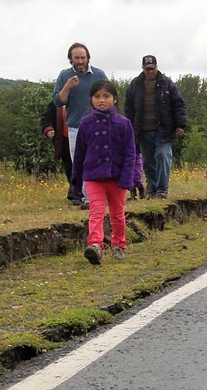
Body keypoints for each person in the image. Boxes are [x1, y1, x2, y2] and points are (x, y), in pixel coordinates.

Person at [71, 80, 135, 265]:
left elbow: (130, 153)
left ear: (114, 99)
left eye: (106, 96)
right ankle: (96, 245)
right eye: (97, 96)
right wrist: (76, 181)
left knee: (117, 213)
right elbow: (80, 154)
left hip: (117, 178)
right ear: (91, 100)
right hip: (93, 176)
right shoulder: (86, 123)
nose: (102, 100)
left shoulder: (124, 123)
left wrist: (127, 179)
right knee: (96, 211)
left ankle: (119, 245)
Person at [124, 55, 187, 199]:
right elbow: (129, 108)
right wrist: (129, 128)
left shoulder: (167, 83)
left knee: (163, 155)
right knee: (148, 161)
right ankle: (152, 190)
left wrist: (180, 124)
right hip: (143, 129)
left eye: (152, 68)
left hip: (164, 128)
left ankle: (162, 189)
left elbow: (178, 104)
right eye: (147, 69)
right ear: (143, 69)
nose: (150, 72)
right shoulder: (135, 85)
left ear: (157, 67)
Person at [53, 42, 108, 207]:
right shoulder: (64, 76)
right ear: (71, 59)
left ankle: (94, 198)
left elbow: (110, 96)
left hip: (98, 125)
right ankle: (86, 198)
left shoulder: (99, 74)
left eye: (83, 57)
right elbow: (58, 101)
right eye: (77, 58)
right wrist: (67, 87)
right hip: (76, 127)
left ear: (88, 58)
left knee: (97, 161)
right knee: (80, 162)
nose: (80, 61)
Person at [39, 101, 80, 205]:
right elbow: (46, 118)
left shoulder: (83, 100)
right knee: (70, 167)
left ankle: (82, 193)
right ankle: (76, 194)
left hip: (83, 139)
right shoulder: (55, 104)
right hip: (64, 141)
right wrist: (48, 129)